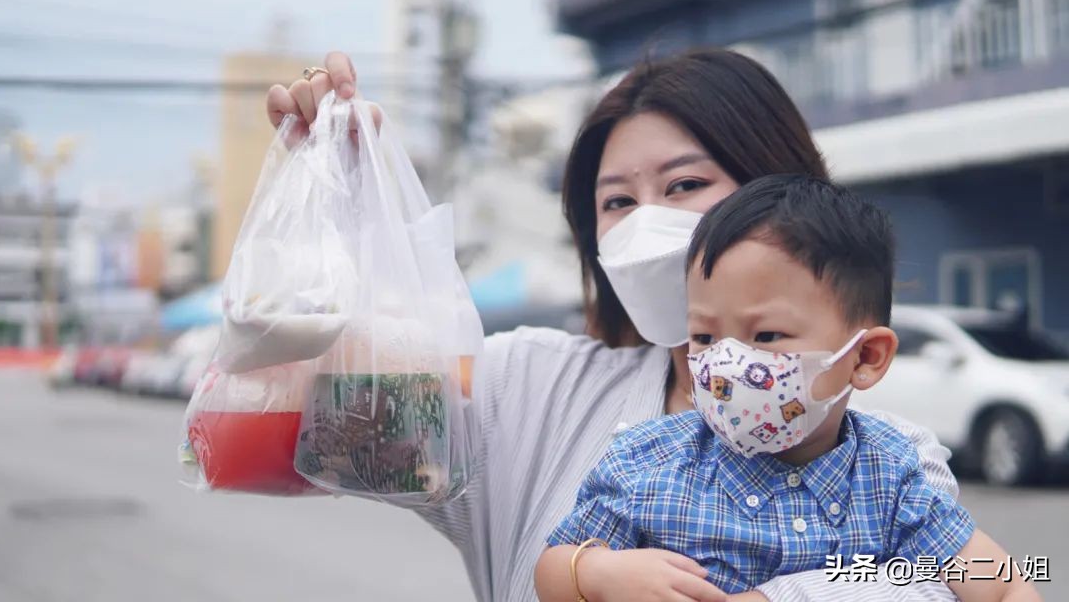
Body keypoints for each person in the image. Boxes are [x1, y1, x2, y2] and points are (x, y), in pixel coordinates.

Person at [266, 49, 962, 601]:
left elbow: (946, 583)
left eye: (686, 185)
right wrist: (345, 209)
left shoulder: (888, 459)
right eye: (618, 201)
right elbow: (328, 431)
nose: (648, 224)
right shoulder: (529, 386)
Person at [535, 175, 1041, 602]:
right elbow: (551, 572)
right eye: (705, 337)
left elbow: (999, 584)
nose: (727, 364)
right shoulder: (645, 464)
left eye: (767, 336)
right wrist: (597, 574)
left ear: (865, 358)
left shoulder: (892, 479)